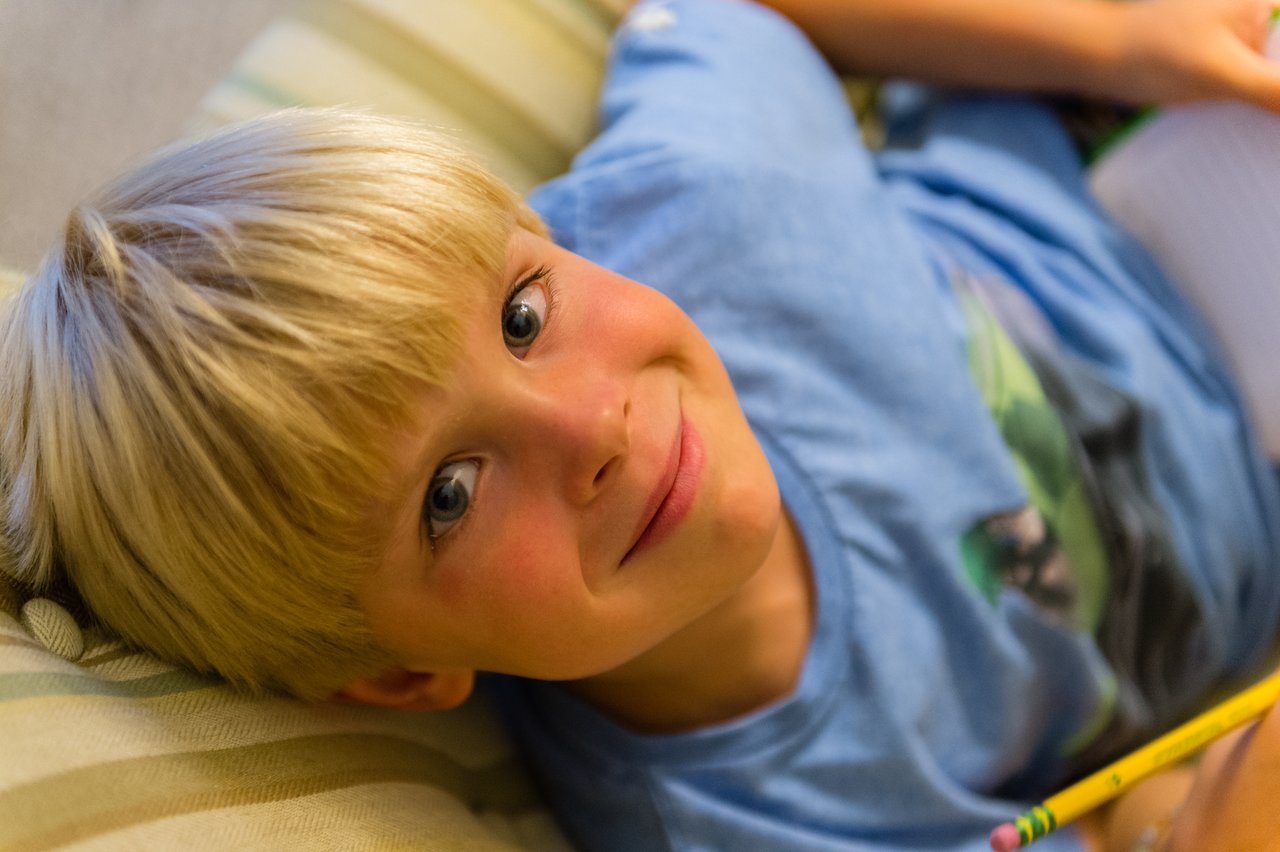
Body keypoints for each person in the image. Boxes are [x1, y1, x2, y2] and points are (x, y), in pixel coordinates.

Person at [3, 0, 1280, 849]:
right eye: (449, 493)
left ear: (549, 240)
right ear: (398, 676)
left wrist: (1114, 39)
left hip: (1147, 171)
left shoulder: (696, 199)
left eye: (519, 314)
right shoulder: (734, 819)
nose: (587, 425)